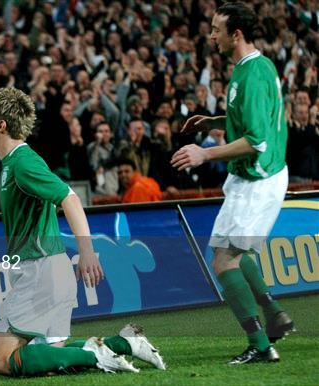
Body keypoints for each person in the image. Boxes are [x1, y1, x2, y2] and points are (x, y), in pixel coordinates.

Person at [0, 87, 165, 377]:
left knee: (1, 360)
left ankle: (100, 357)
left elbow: (70, 198)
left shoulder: (22, 163)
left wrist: (87, 251)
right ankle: (125, 344)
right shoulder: (13, 164)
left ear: (1, 125)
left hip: (39, 272)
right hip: (48, 269)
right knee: (53, 359)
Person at [170, 2, 293, 365]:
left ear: (234, 34)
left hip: (257, 178)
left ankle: (260, 344)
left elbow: (256, 139)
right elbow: (251, 119)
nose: (212, 35)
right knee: (231, 252)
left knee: (224, 261)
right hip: (251, 177)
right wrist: (214, 122)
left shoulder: (251, 74)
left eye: (216, 29)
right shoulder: (255, 66)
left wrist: (204, 153)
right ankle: (274, 315)